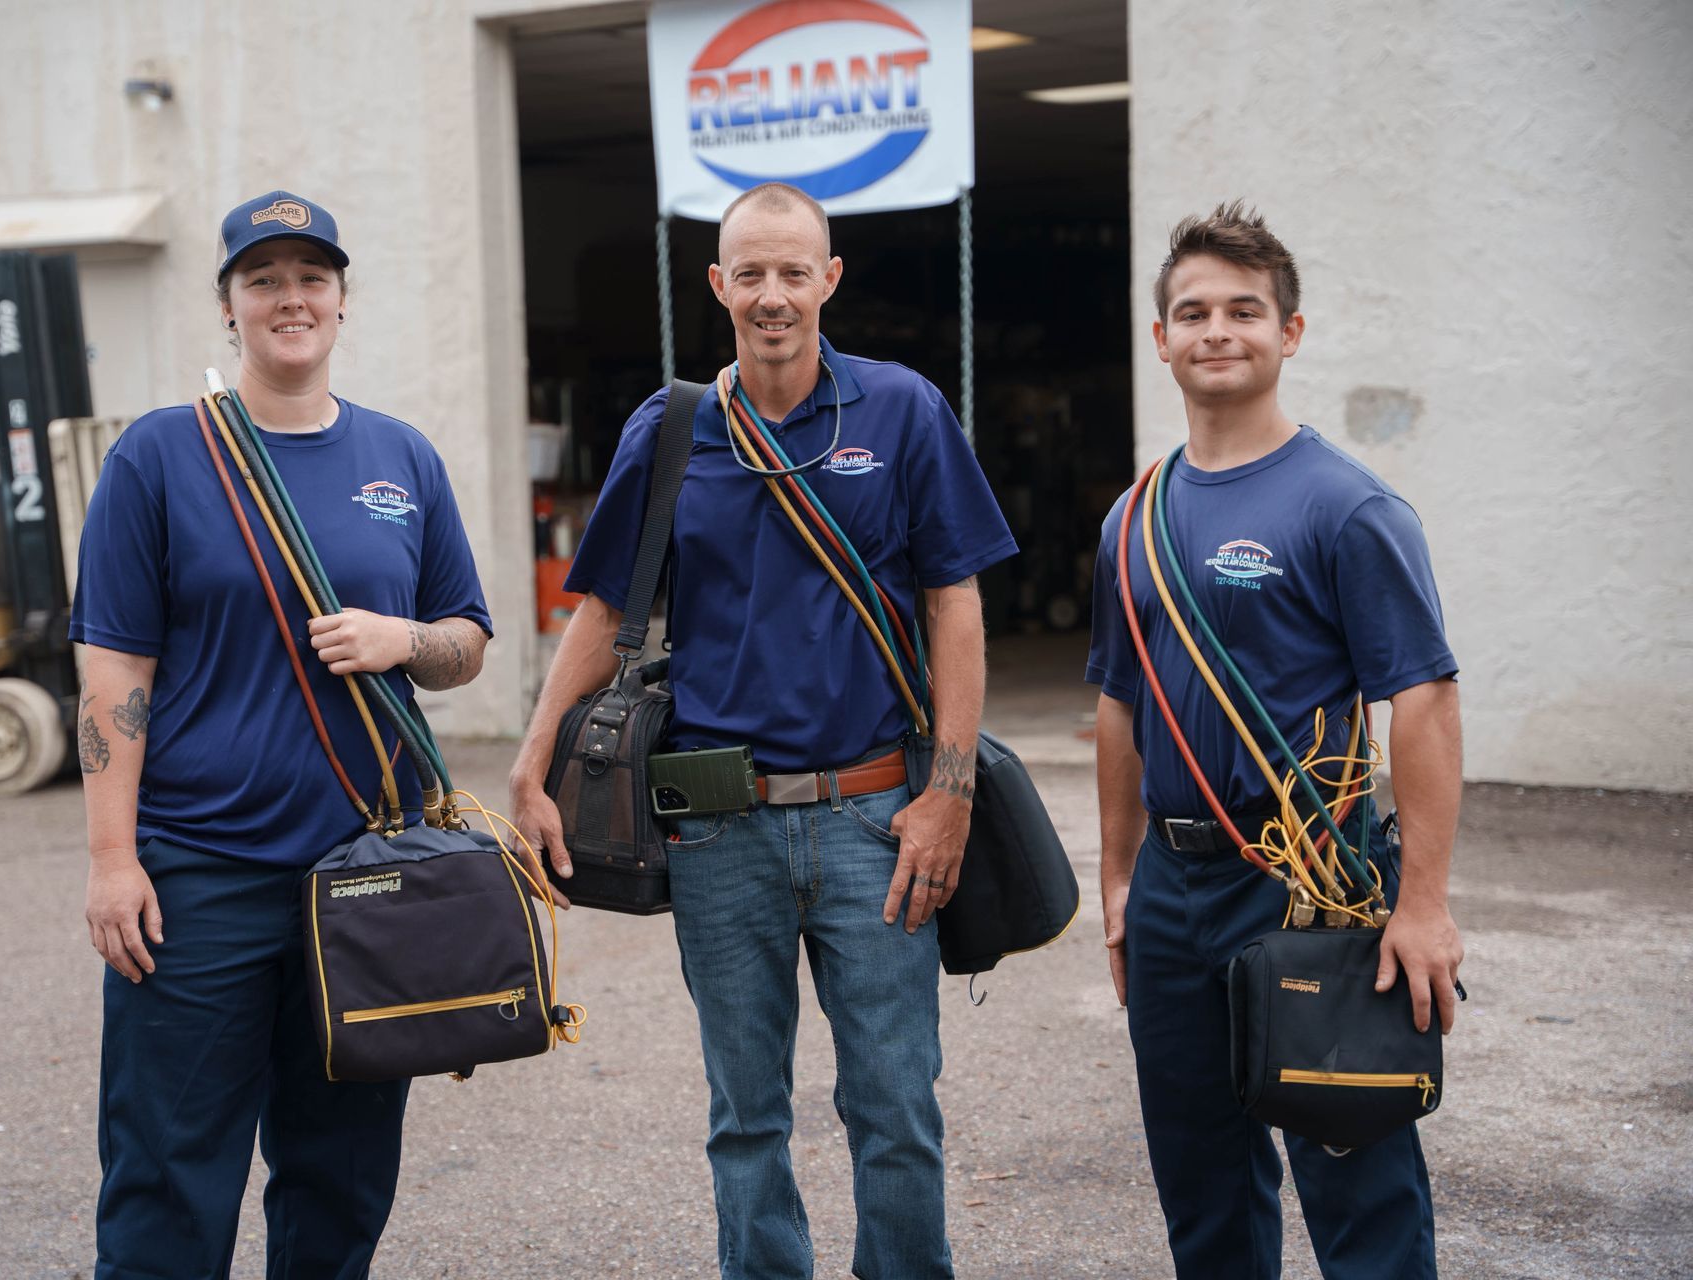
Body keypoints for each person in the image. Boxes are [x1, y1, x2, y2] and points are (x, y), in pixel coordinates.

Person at [508, 182, 1015, 1280]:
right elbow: (602, 610)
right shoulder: (672, 427)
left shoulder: (903, 411)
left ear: (829, 279)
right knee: (745, 1117)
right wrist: (532, 753)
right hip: (716, 829)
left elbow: (955, 603)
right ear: (718, 284)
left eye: (795, 271)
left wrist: (952, 792)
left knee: (895, 1110)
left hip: (876, 818)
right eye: (752, 273)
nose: (773, 295)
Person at [71, 189, 494, 1279]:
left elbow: (467, 639)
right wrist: (113, 860)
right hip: (200, 877)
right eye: (263, 279)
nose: (290, 298)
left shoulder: (404, 457)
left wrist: (403, 637)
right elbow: (115, 670)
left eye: (311, 277)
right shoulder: (158, 459)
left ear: (343, 300)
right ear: (228, 306)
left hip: (368, 875)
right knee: (169, 1171)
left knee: (341, 1176)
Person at [1087, 202, 1465, 1279]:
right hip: (1171, 887)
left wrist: (1425, 903)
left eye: (1244, 310)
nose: (1218, 329)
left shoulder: (1347, 505)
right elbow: (1119, 702)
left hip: (1313, 879)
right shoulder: (1133, 515)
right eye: (1193, 311)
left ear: (1289, 332)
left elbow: (1425, 700)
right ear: (1160, 339)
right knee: (1202, 1185)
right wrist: (1120, 881)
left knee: (1358, 1179)